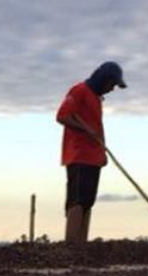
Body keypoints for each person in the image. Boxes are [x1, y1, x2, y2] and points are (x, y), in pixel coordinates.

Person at [56, 62, 126, 245]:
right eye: (112, 84)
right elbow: (62, 116)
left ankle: (82, 244)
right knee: (77, 200)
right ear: (103, 79)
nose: (112, 89)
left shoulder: (96, 98)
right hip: (78, 155)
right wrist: (84, 129)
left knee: (88, 201)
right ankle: (72, 244)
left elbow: (97, 129)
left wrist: (102, 153)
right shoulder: (79, 90)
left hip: (94, 157)